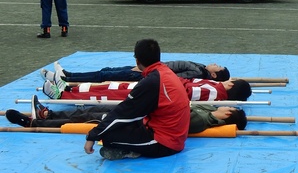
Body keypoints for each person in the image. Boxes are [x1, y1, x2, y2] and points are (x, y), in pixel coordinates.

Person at [82, 39, 191, 160]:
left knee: (108, 136)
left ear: (137, 60)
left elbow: (123, 113)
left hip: (165, 143)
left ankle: (131, 150)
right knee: (111, 123)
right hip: (170, 134)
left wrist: (93, 136)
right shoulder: (165, 72)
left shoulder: (151, 82)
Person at [6, 95, 247, 132]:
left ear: (227, 116)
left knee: (85, 119)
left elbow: (174, 113)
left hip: (137, 121)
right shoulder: (209, 111)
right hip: (137, 111)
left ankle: (34, 122)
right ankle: (48, 115)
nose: (225, 106)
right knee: (92, 109)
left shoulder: (203, 119)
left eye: (230, 108)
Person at [41, 76, 252, 103]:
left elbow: (186, 91)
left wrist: (172, 80)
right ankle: (71, 88)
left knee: (112, 93)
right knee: (116, 86)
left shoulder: (215, 92)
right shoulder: (215, 88)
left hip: (159, 91)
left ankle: (63, 95)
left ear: (231, 85)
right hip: (161, 85)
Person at [41, 60, 230, 84]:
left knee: (105, 75)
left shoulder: (196, 71)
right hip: (147, 71)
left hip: (145, 73)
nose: (215, 64)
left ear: (214, 74)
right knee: (106, 71)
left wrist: (145, 69)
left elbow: (170, 70)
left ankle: (66, 78)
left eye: (218, 67)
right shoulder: (199, 70)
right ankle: (70, 74)